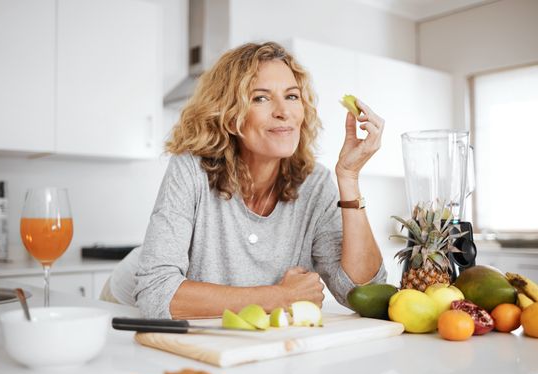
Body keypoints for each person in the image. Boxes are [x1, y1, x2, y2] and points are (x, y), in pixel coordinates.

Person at [107, 41, 386, 319]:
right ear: (230, 118)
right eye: (260, 98)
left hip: (220, 326)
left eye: (291, 96)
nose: (283, 111)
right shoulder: (190, 169)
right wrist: (279, 296)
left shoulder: (315, 185)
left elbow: (365, 294)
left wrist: (348, 178)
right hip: (126, 307)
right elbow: (156, 293)